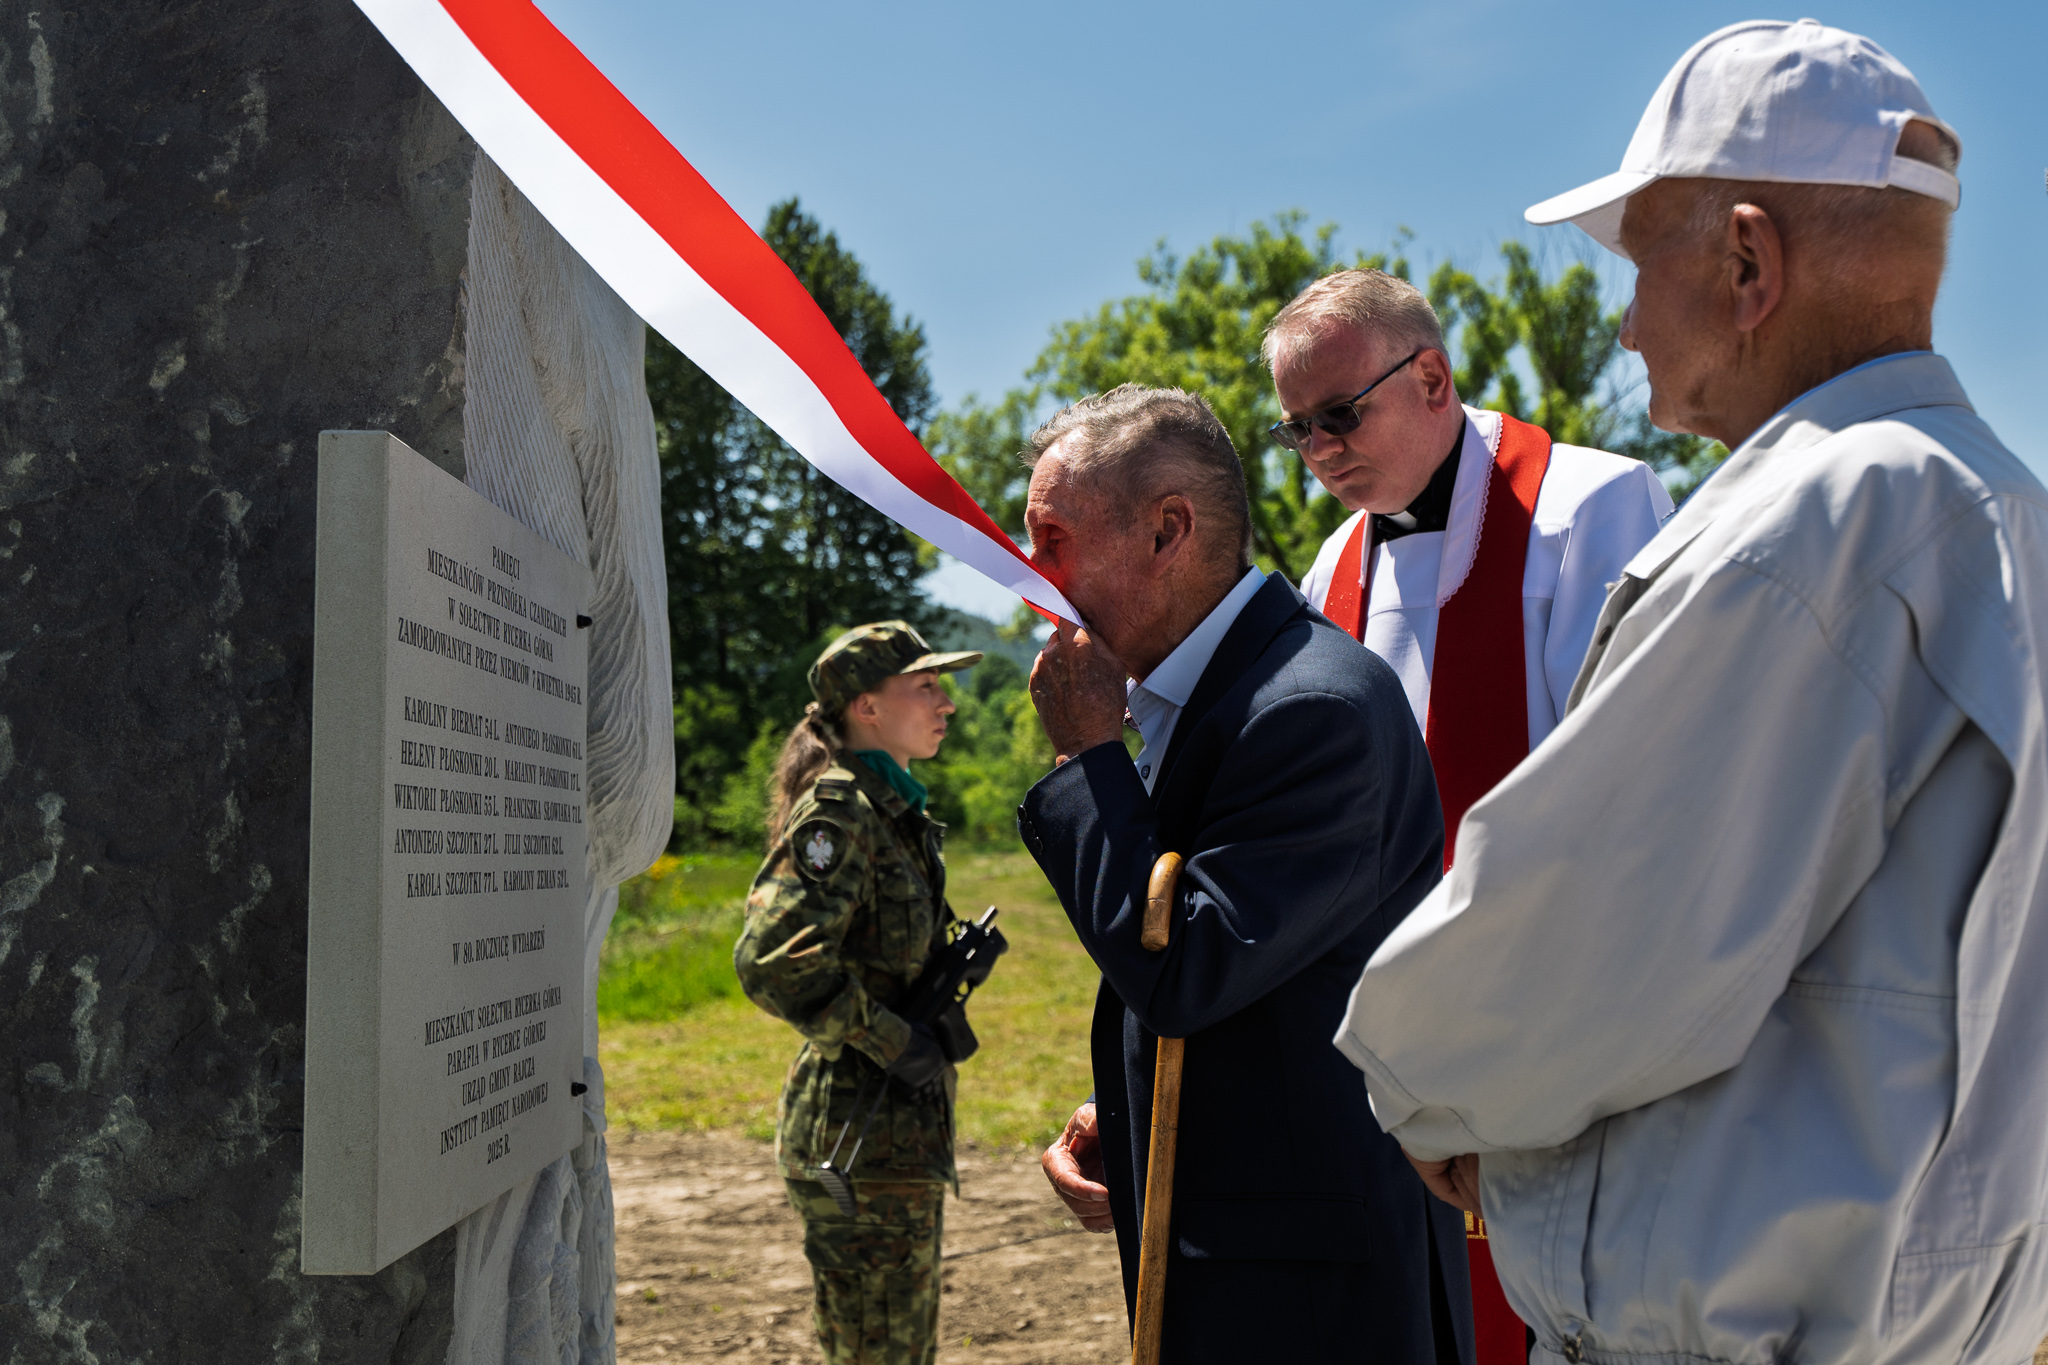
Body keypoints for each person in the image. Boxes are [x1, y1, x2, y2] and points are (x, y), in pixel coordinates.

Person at [1333, 19, 2048, 1365]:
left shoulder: (1813, 522)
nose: (1622, 321)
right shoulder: (2007, 512)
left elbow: (1582, 939)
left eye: (1637, 261)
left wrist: (1427, 1086)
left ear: (1745, 262)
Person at [1270, 268, 1671, 1365]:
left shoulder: (1590, 506)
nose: (1319, 452)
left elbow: (1617, 803)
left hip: (1541, 1040)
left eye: (1338, 416)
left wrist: (1507, 1072)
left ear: (1433, 378)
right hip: (1393, 1046)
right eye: (1296, 430)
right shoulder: (1337, 559)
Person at [1016, 384, 1465, 1363]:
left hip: (1316, 1307)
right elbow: (1263, 996)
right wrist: (1119, 1112)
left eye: (1052, 540)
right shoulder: (1221, 694)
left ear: (1167, 530)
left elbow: (1187, 964)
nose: (1033, 578)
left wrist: (1088, 757)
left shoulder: (1309, 707)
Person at [733, 621, 985, 1365]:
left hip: (890, 1143)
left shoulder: (891, 812)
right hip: (858, 1140)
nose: (946, 703)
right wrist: (895, 1040)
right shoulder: (841, 813)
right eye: (926, 687)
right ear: (867, 707)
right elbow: (771, 960)